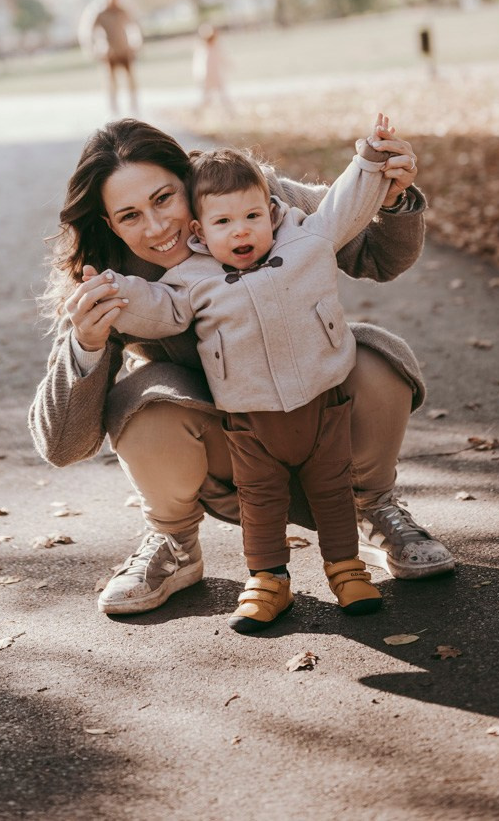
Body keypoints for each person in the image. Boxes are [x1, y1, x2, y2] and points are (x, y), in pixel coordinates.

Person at [28, 118, 455, 620]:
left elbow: (376, 255)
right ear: (109, 225)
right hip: (227, 447)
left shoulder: (251, 196)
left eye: (164, 198)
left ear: (189, 179)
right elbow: (63, 444)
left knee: (374, 358)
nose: (157, 227)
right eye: (130, 216)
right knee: (145, 401)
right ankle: (174, 541)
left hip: (319, 415)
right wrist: (87, 342)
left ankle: (374, 504)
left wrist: (390, 197)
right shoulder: (108, 276)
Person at [106, 122, 397, 631]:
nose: (241, 231)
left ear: (273, 213)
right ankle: (268, 581)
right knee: (259, 501)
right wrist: (111, 291)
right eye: (223, 222)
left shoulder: (306, 237)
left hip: (321, 407)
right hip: (249, 421)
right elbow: (158, 309)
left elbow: (346, 205)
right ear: (200, 231)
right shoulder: (191, 278)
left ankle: (347, 571)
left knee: (332, 490)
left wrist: (371, 160)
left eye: (252, 217)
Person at [80, 0, 142, 115]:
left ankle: (134, 106)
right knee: (111, 81)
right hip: (109, 52)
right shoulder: (100, 14)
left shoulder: (122, 11)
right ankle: (114, 108)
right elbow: (88, 32)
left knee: (131, 79)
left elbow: (135, 26)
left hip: (124, 50)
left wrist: (136, 43)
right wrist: (92, 49)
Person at [192, 23, 234, 117]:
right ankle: (197, 111)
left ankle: (230, 113)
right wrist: (200, 77)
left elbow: (222, 58)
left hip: (216, 76)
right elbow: (199, 65)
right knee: (207, 98)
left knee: (223, 95)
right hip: (207, 77)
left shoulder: (216, 47)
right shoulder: (202, 49)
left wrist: (228, 65)